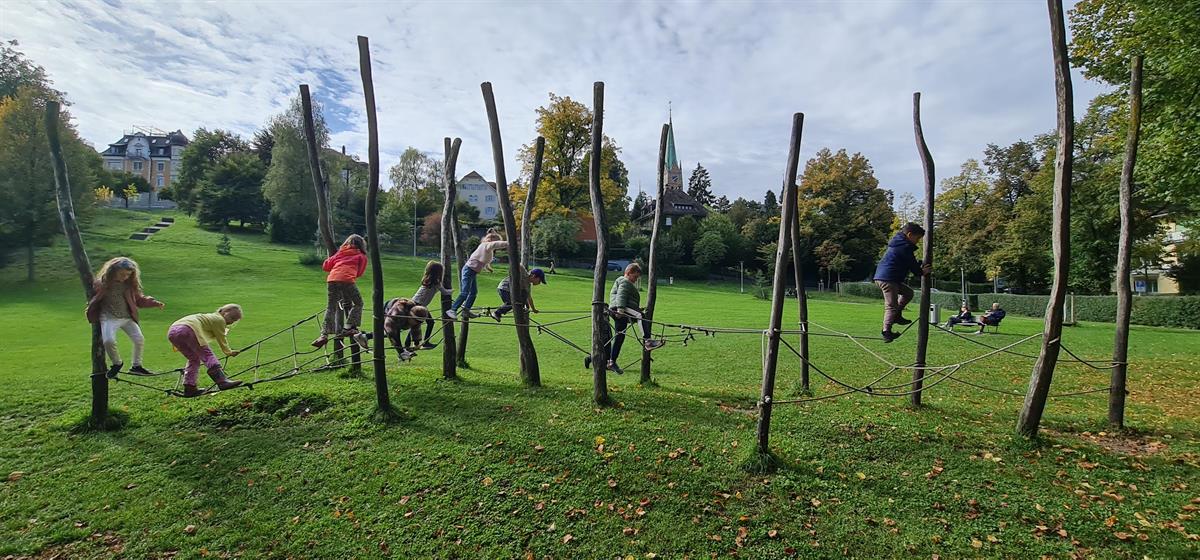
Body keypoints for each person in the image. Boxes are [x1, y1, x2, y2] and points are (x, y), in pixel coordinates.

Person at [85, 257, 166, 378]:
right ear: (112, 271)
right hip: (109, 318)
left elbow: (139, 299)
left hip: (127, 317)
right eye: (122, 274)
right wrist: (91, 309)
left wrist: (153, 303)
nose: (125, 277)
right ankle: (117, 363)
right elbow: (93, 298)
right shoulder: (101, 284)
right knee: (108, 341)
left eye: (128, 275)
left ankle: (136, 366)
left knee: (139, 339)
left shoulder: (129, 285)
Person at [598, 263, 663, 374]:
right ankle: (647, 341)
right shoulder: (625, 281)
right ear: (628, 273)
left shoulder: (623, 281)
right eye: (635, 277)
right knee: (640, 316)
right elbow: (621, 295)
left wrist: (635, 308)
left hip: (620, 309)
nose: (635, 279)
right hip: (619, 308)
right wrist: (621, 310)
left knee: (620, 337)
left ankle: (611, 362)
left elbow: (627, 299)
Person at [873, 222, 932, 343]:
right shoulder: (904, 247)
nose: (918, 241)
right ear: (910, 235)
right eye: (918, 238)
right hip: (888, 279)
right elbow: (912, 265)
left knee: (908, 293)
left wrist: (919, 265)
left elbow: (909, 262)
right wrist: (921, 272)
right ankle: (886, 332)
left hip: (889, 278)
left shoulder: (900, 244)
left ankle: (897, 315)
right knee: (891, 306)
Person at [167, 304, 244, 397]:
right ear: (224, 312)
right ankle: (222, 381)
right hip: (189, 328)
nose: (231, 322)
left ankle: (189, 387)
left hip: (172, 331)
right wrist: (229, 352)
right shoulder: (219, 320)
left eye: (234, 320)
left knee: (193, 359)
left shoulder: (209, 317)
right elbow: (221, 338)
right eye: (231, 318)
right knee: (207, 354)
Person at [312, 235, 368, 350]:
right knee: (358, 303)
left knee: (330, 307)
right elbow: (360, 273)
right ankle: (348, 328)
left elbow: (326, 266)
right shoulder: (361, 256)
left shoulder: (340, 253)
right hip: (347, 280)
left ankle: (324, 335)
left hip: (332, 279)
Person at [447, 231, 508, 319]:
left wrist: (488, 268)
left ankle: (466, 311)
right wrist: (508, 243)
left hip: (472, 272)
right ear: (491, 240)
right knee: (465, 293)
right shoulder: (486, 245)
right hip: (468, 270)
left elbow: (484, 260)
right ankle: (452, 310)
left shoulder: (488, 250)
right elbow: (495, 244)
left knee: (473, 293)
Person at [408, 261, 451, 349]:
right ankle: (423, 343)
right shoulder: (436, 282)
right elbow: (445, 292)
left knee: (416, 324)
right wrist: (452, 290)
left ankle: (411, 345)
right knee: (421, 323)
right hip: (419, 305)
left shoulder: (428, 280)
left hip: (416, 303)